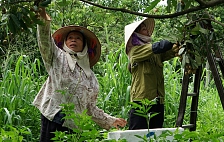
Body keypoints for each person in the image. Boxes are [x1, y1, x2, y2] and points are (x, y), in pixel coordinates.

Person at [33, 8, 127, 141]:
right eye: (70, 38)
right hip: (54, 117)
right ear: (65, 42)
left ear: (84, 45)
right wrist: (43, 20)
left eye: (78, 38)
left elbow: (91, 108)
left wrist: (111, 121)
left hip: (75, 125)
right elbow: (45, 42)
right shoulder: (57, 58)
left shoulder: (90, 77)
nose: (73, 40)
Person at [124, 18, 178, 130]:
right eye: (144, 29)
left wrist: (178, 45)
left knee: (156, 134)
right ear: (136, 34)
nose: (148, 32)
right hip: (141, 100)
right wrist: (170, 41)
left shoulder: (153, 52)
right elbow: (158, 47)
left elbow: (167, 52)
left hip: (158, 99)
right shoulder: (135, 51)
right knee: (137, 135)